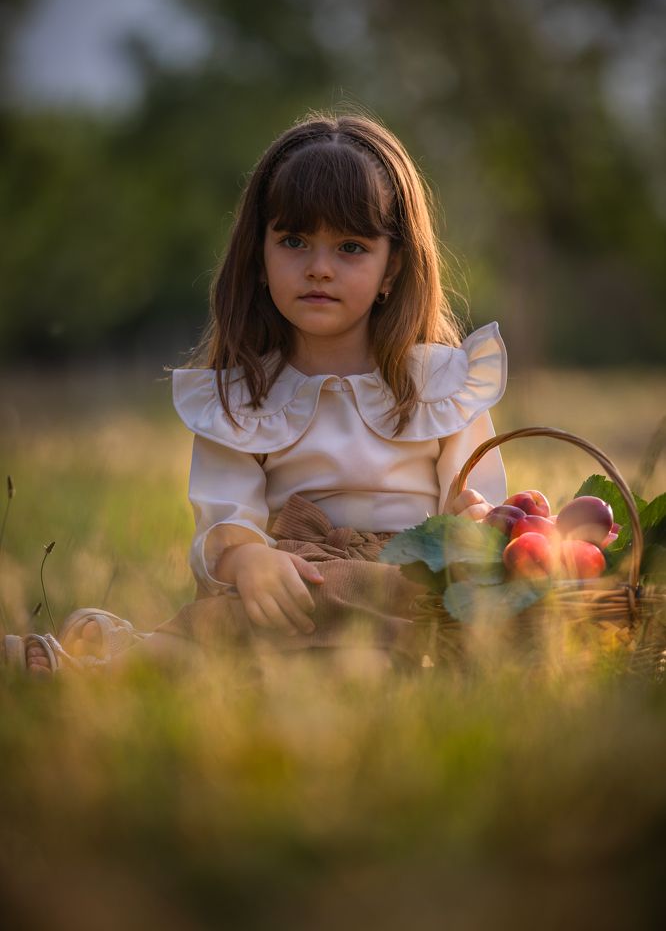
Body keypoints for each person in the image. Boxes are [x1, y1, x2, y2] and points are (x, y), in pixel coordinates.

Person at [17, 110, 507, 676]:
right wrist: (248, 559)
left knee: (345, 653)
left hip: (407, 586)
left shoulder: (443, 384)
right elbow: (225, 521)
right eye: (294, 241)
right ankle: (95, 671)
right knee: (219, 632)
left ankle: (121, 654)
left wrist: (473, 521)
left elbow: (480, 510)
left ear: (391, 269)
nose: (319, 268)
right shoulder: (244, 397)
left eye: (350, 247)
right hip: (289, 588)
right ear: (259, 258)